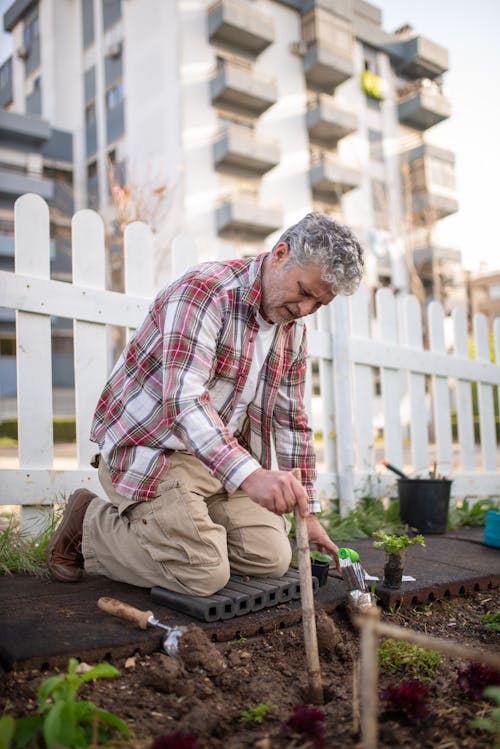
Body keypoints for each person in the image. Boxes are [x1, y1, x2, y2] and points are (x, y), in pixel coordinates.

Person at [46, 212, 364, 595]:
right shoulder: (204, 293)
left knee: (272, 558)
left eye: (319, 304)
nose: (305, 310)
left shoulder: (291, 330)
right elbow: (183, 401)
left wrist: (307, 512)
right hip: (154, 453)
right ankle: (90, 524)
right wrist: (250, 475)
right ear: (280, 254)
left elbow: (291, 421)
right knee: (205, 575)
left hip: (216, 463)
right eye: (305, 291)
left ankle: (186, 535)